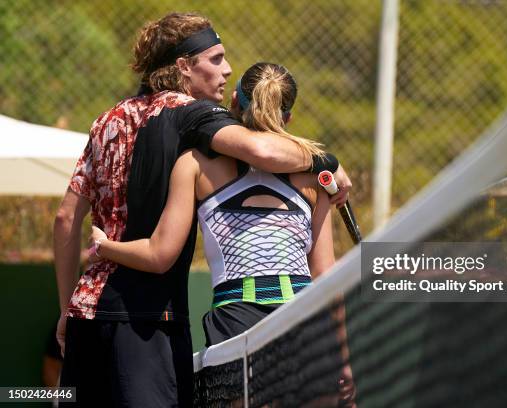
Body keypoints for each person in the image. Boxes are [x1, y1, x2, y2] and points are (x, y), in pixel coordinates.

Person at [54, 13, 350, 408]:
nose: (227, 69)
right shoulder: (195, 118)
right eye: (216, 59)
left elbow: (64, 219)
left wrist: (64, 309)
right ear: (184, 66)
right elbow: (262, 149)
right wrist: (326, 161)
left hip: (85, 314)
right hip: (149, 322)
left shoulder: (107, 120)